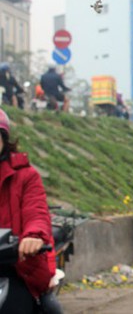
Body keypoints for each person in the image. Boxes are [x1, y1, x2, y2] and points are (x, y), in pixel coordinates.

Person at [0, 107, 58, 314]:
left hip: (17, 267)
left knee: (49, 308)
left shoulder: (26, 175)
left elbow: (37, 211)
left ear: (4, 140)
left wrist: (33, 236)